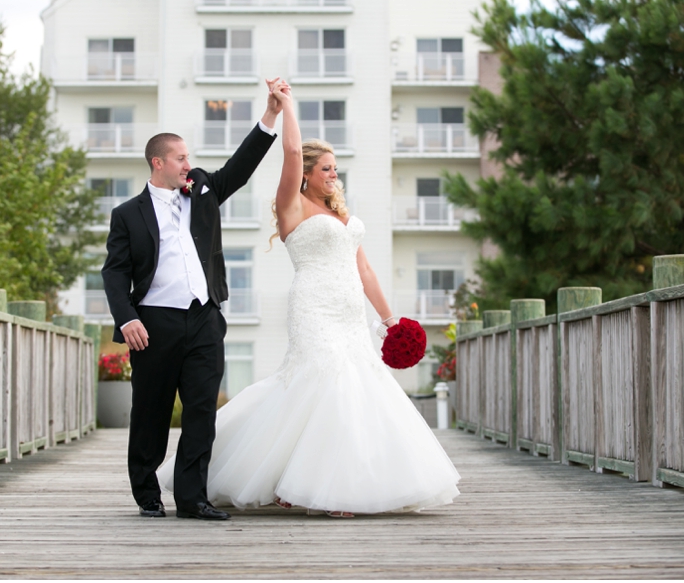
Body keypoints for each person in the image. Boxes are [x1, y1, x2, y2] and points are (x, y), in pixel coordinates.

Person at [158, 82, 461, 517]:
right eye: (327, 169)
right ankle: (324, 489)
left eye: (336, 169)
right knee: (327, 382)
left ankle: (349, 482)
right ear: (307, 174)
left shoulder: (341, 213)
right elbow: (292, 154)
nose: (334, 175)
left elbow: (365, 269)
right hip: (313, 307)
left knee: (357, 388)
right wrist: (287, 108)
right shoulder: (291, 206)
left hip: (349, 311)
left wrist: (390, 319)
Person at [101, 79, 285, 521]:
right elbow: (115, 272)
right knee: (151, 413)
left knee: (202, 411)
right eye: (181, 158)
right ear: (158, 162)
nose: (189, 164)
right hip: (153, 325)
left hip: (204, 319)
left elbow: (239, 168)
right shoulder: (127, 214)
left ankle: (192, 499)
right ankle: (147, 494)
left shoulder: (202, 190)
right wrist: (126, 319)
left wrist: (271, 115)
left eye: (189, 158)